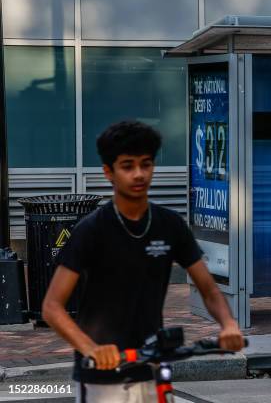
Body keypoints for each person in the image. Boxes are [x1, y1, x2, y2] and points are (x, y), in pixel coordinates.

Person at [42, 121, 244, 402]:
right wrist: (92, 349)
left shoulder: (169, 225)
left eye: (145, 164)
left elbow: (209, 290)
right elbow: (52, 307)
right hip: (103, 376)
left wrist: (228, 324)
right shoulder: (91, 230)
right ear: (108, 172)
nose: (139, 174)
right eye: (127, 166)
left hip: (153, 366)